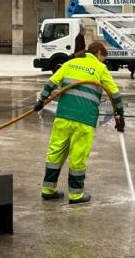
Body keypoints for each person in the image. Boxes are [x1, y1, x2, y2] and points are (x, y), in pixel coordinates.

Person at [34, 41, 125, 204]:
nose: (102, 62)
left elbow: (51, 83)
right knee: (78, 156)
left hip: (63, 116)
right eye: (102, 58)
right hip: (85, 119)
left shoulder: (71, 63)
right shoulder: (100, 68)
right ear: (98, 53)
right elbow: (115, 95)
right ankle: (76, 195)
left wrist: (41, 100)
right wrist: (120, 117)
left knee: (55, 152)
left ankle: (48, 190)